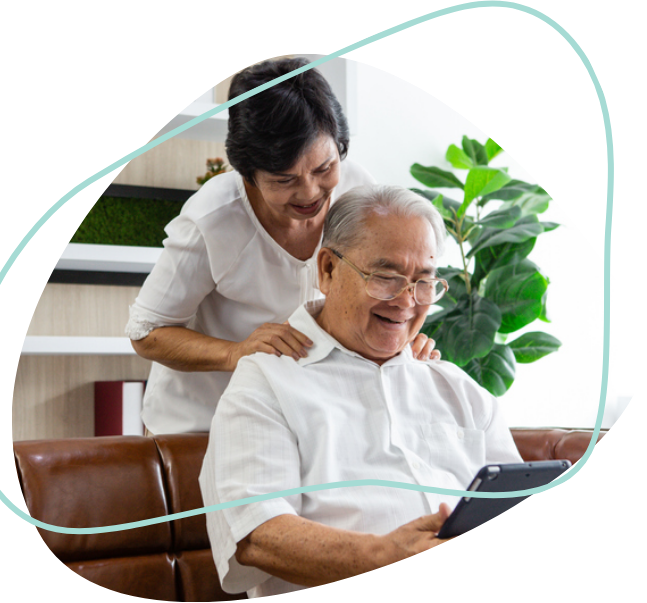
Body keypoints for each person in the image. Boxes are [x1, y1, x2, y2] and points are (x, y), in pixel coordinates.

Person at [198, 184, 524, 598]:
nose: (407, 301)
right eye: (385, 277)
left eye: (423, 282)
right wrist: (384, 554)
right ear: (328, 270)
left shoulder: (459, 388)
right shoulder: (266, 382)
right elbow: (255, 533)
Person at [126, 57, 438, 435]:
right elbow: (146, 331)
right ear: (248, 173)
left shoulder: (358, 194)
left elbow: (379, 289)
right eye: (283, 179)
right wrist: (235, 352)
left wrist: (398, 339)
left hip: (301, 422)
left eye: (324, 169)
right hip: (200, 425)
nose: (310, 192)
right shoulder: (214, 218)